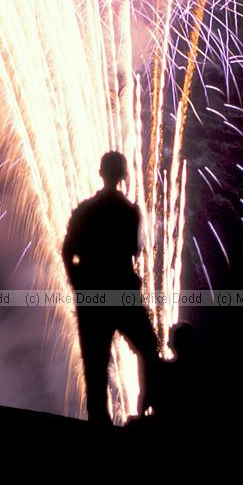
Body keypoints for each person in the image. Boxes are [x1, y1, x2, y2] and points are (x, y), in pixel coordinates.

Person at [62, 150, 159, 426]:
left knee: (95, 361)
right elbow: (134, 249)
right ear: (123, 175)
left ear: (101, 173)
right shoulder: (130, 211)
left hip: (93, 293)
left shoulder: (85, 210)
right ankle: (149, 403)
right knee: (147, 345)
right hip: (122, 290)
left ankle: (99, 420)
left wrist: (78, 283)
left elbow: (68, 251)